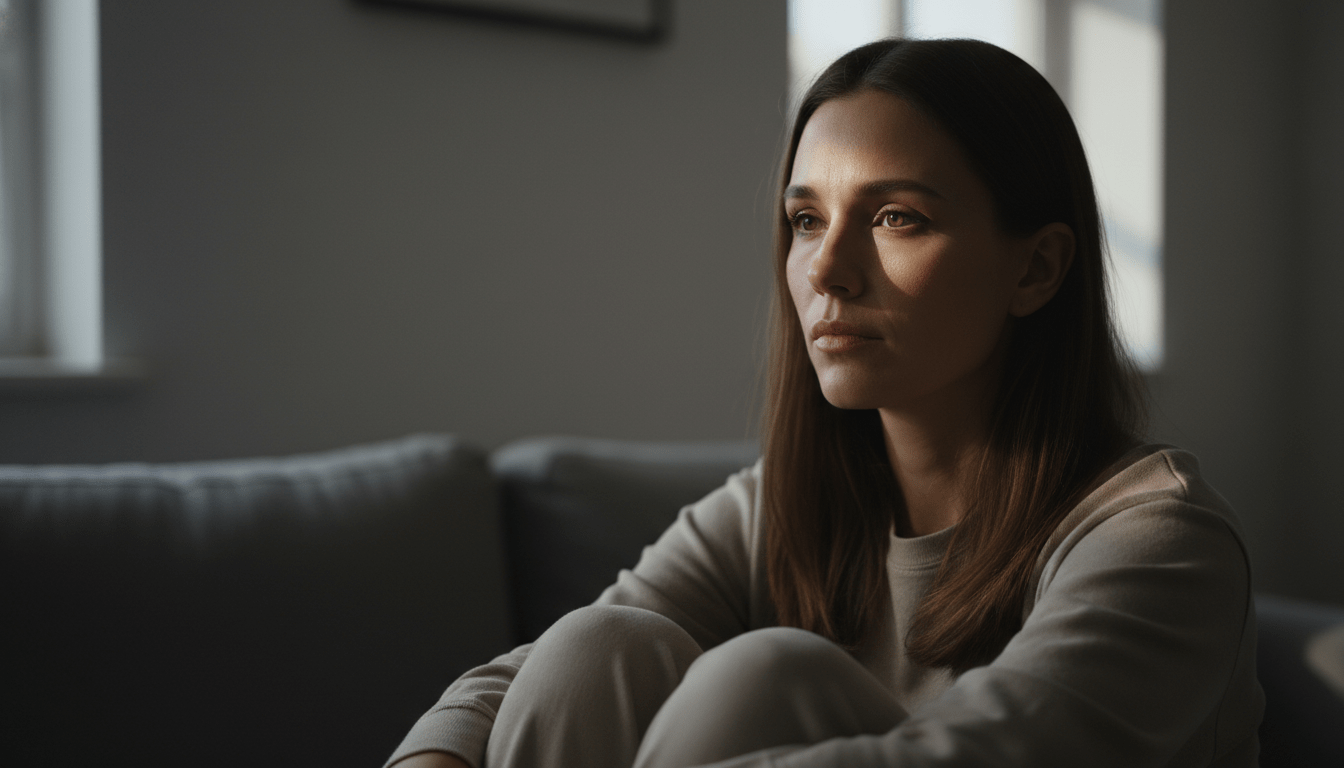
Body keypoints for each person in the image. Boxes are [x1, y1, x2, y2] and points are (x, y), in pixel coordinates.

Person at [385, 38, 1263, 768]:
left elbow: (984, 754)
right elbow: (528, 676)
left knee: (765, 679)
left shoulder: (1160, 540)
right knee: (593, 649)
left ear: (1034, 269)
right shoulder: (788, 501)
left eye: (897, 218)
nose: (825, 270)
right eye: (806, 220)